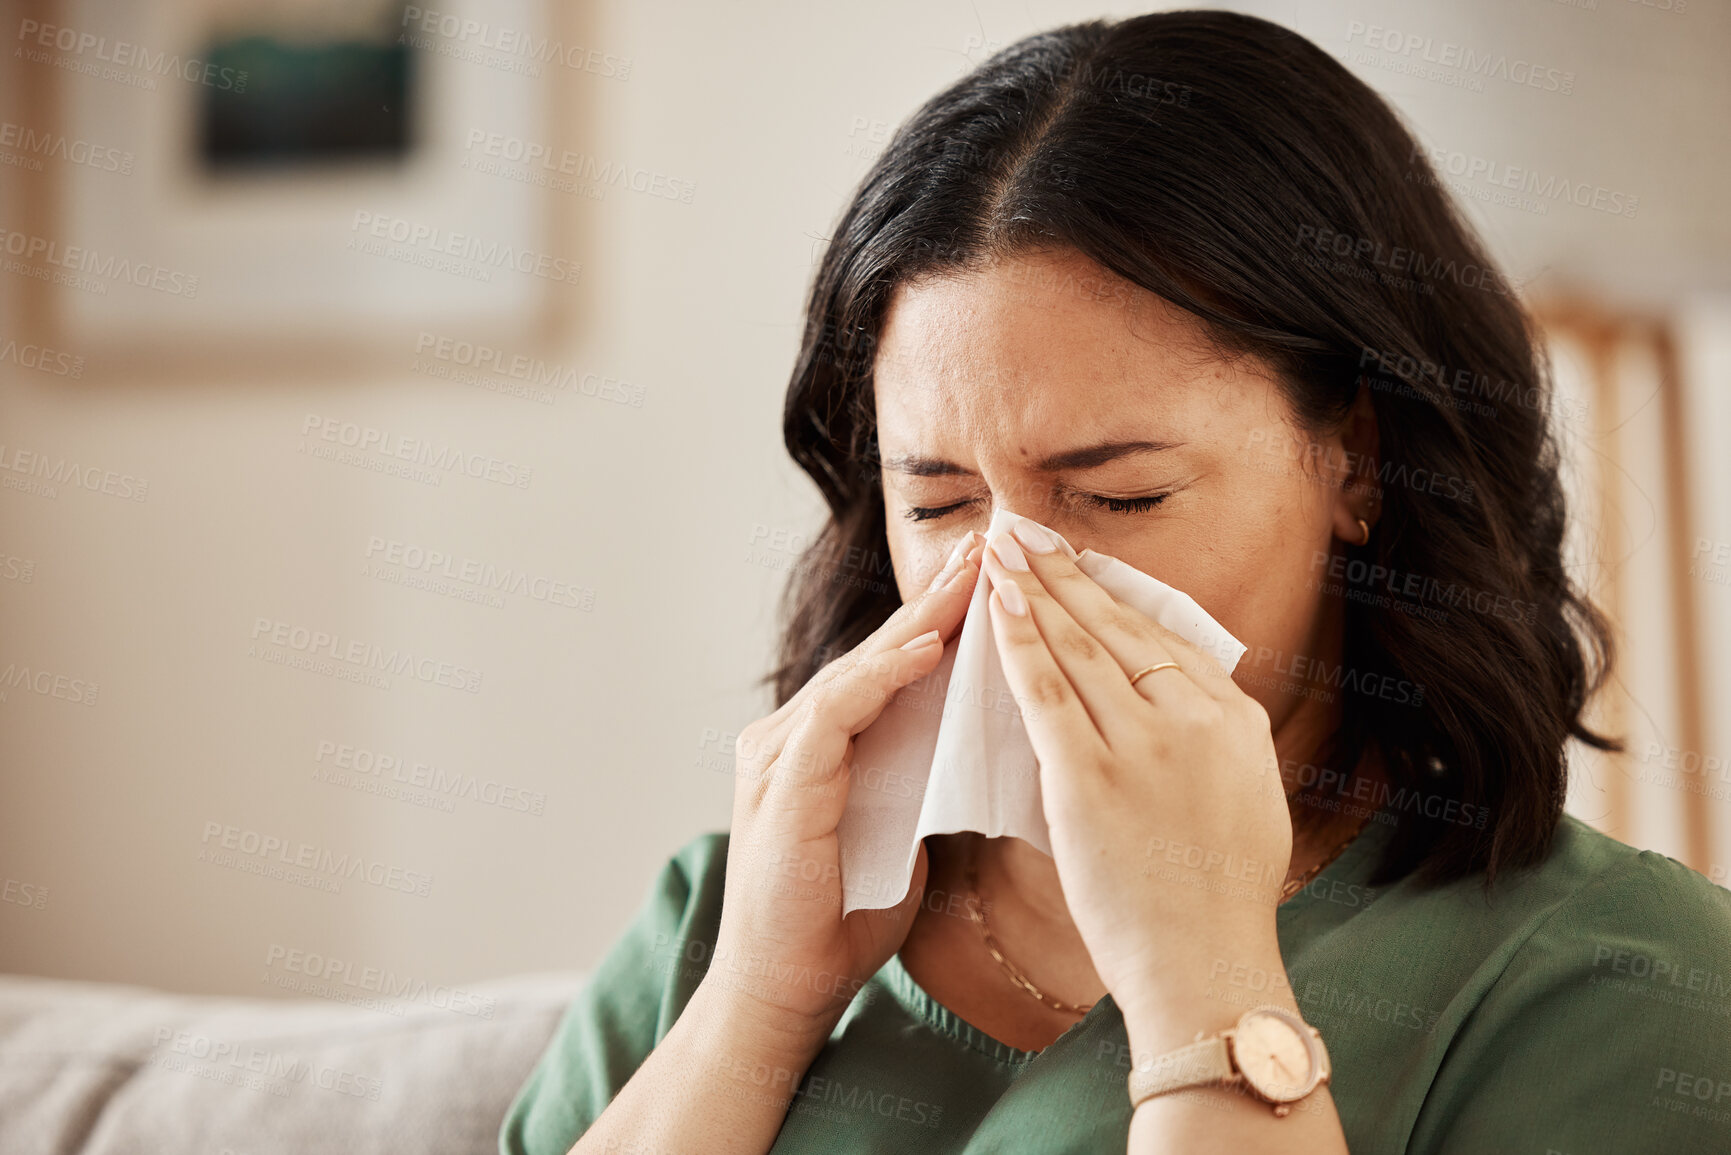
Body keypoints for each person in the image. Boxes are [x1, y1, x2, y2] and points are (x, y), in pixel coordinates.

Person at [500, 10, 1731, 1154]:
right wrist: (758, 1008)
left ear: (1357, 460)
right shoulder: (727, 916)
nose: (1011, 580)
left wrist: (1206, 979)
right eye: (939, 503)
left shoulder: (1613, 980)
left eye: (1119, 496)